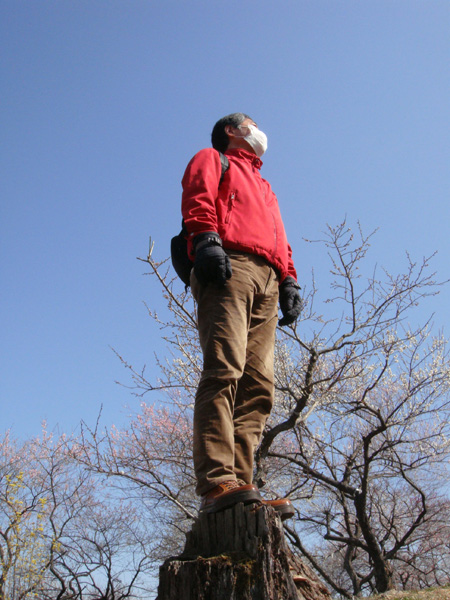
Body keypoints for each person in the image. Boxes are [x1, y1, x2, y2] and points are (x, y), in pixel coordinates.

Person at [181, 113, 302, 520]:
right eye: (251, 123)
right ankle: (217, 480)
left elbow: (280, 238)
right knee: (224, 370)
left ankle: (241, 483)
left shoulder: (266, 187)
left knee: (259, 386)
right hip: (229, 265)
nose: (258, 129)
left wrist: (290, 280)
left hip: (269, 279)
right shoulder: (215, 159)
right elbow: (197, 194)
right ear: (232, 131)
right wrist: (206, 239)